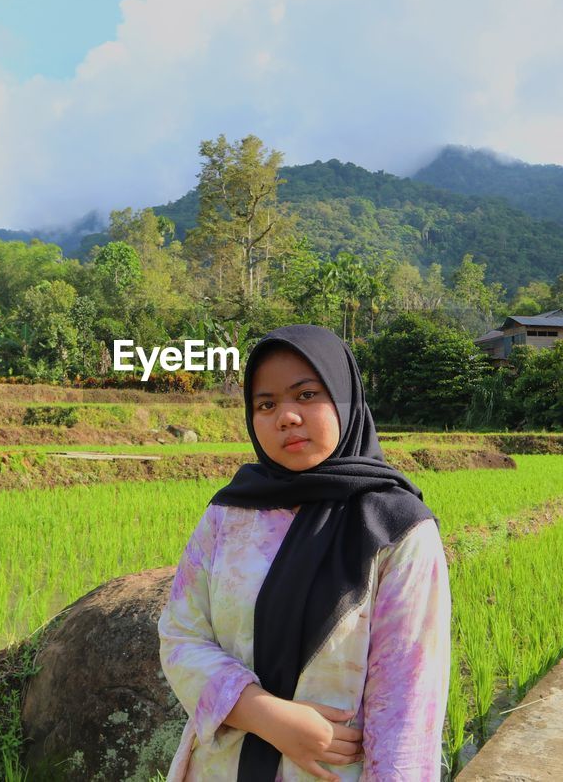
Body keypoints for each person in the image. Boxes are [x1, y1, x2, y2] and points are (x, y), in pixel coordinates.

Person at [158, 324, 451, 782]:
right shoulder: (228, 513)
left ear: (345, 398)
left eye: (307, 394)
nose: (286, 417)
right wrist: (268, 717)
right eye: (266, 404)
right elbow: (180, 636)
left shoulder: (397, 529)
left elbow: (409, 708)